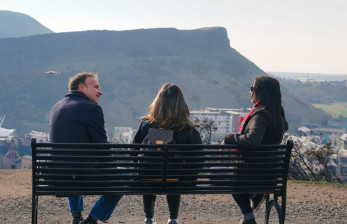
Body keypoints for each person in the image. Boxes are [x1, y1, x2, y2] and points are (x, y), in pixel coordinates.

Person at [49, 72, 122, 224]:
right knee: (124, 177)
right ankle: (92, 219)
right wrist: (116, 169)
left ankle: (76, 216)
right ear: (81, 88)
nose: (100, 91)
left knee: (72, 165)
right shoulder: (91, 109)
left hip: (57, 177)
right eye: (96, 87)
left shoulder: (56, 107)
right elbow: (102, 147)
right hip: (82, 176)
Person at [133, 82, 202, 224]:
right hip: (178, 182)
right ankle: (173, 219)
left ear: (158, 102)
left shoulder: (146, 125)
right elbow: (198, 162)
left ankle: (149, 218)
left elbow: (134, 152)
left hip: (147, 180)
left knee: (150, 171)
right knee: (174, 174)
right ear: (181, 104)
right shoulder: (188, 130)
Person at [223, 75, 288, 224]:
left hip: (252, 174)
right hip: (270, 175)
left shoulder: (261, 115)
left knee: (227, 178)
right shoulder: (278, 114)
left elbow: (253, 141)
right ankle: (255, 195)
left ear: (261, 92)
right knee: (234, 177)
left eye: (252, 88)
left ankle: (248, 216)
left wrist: (229, 137)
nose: (250, 92)